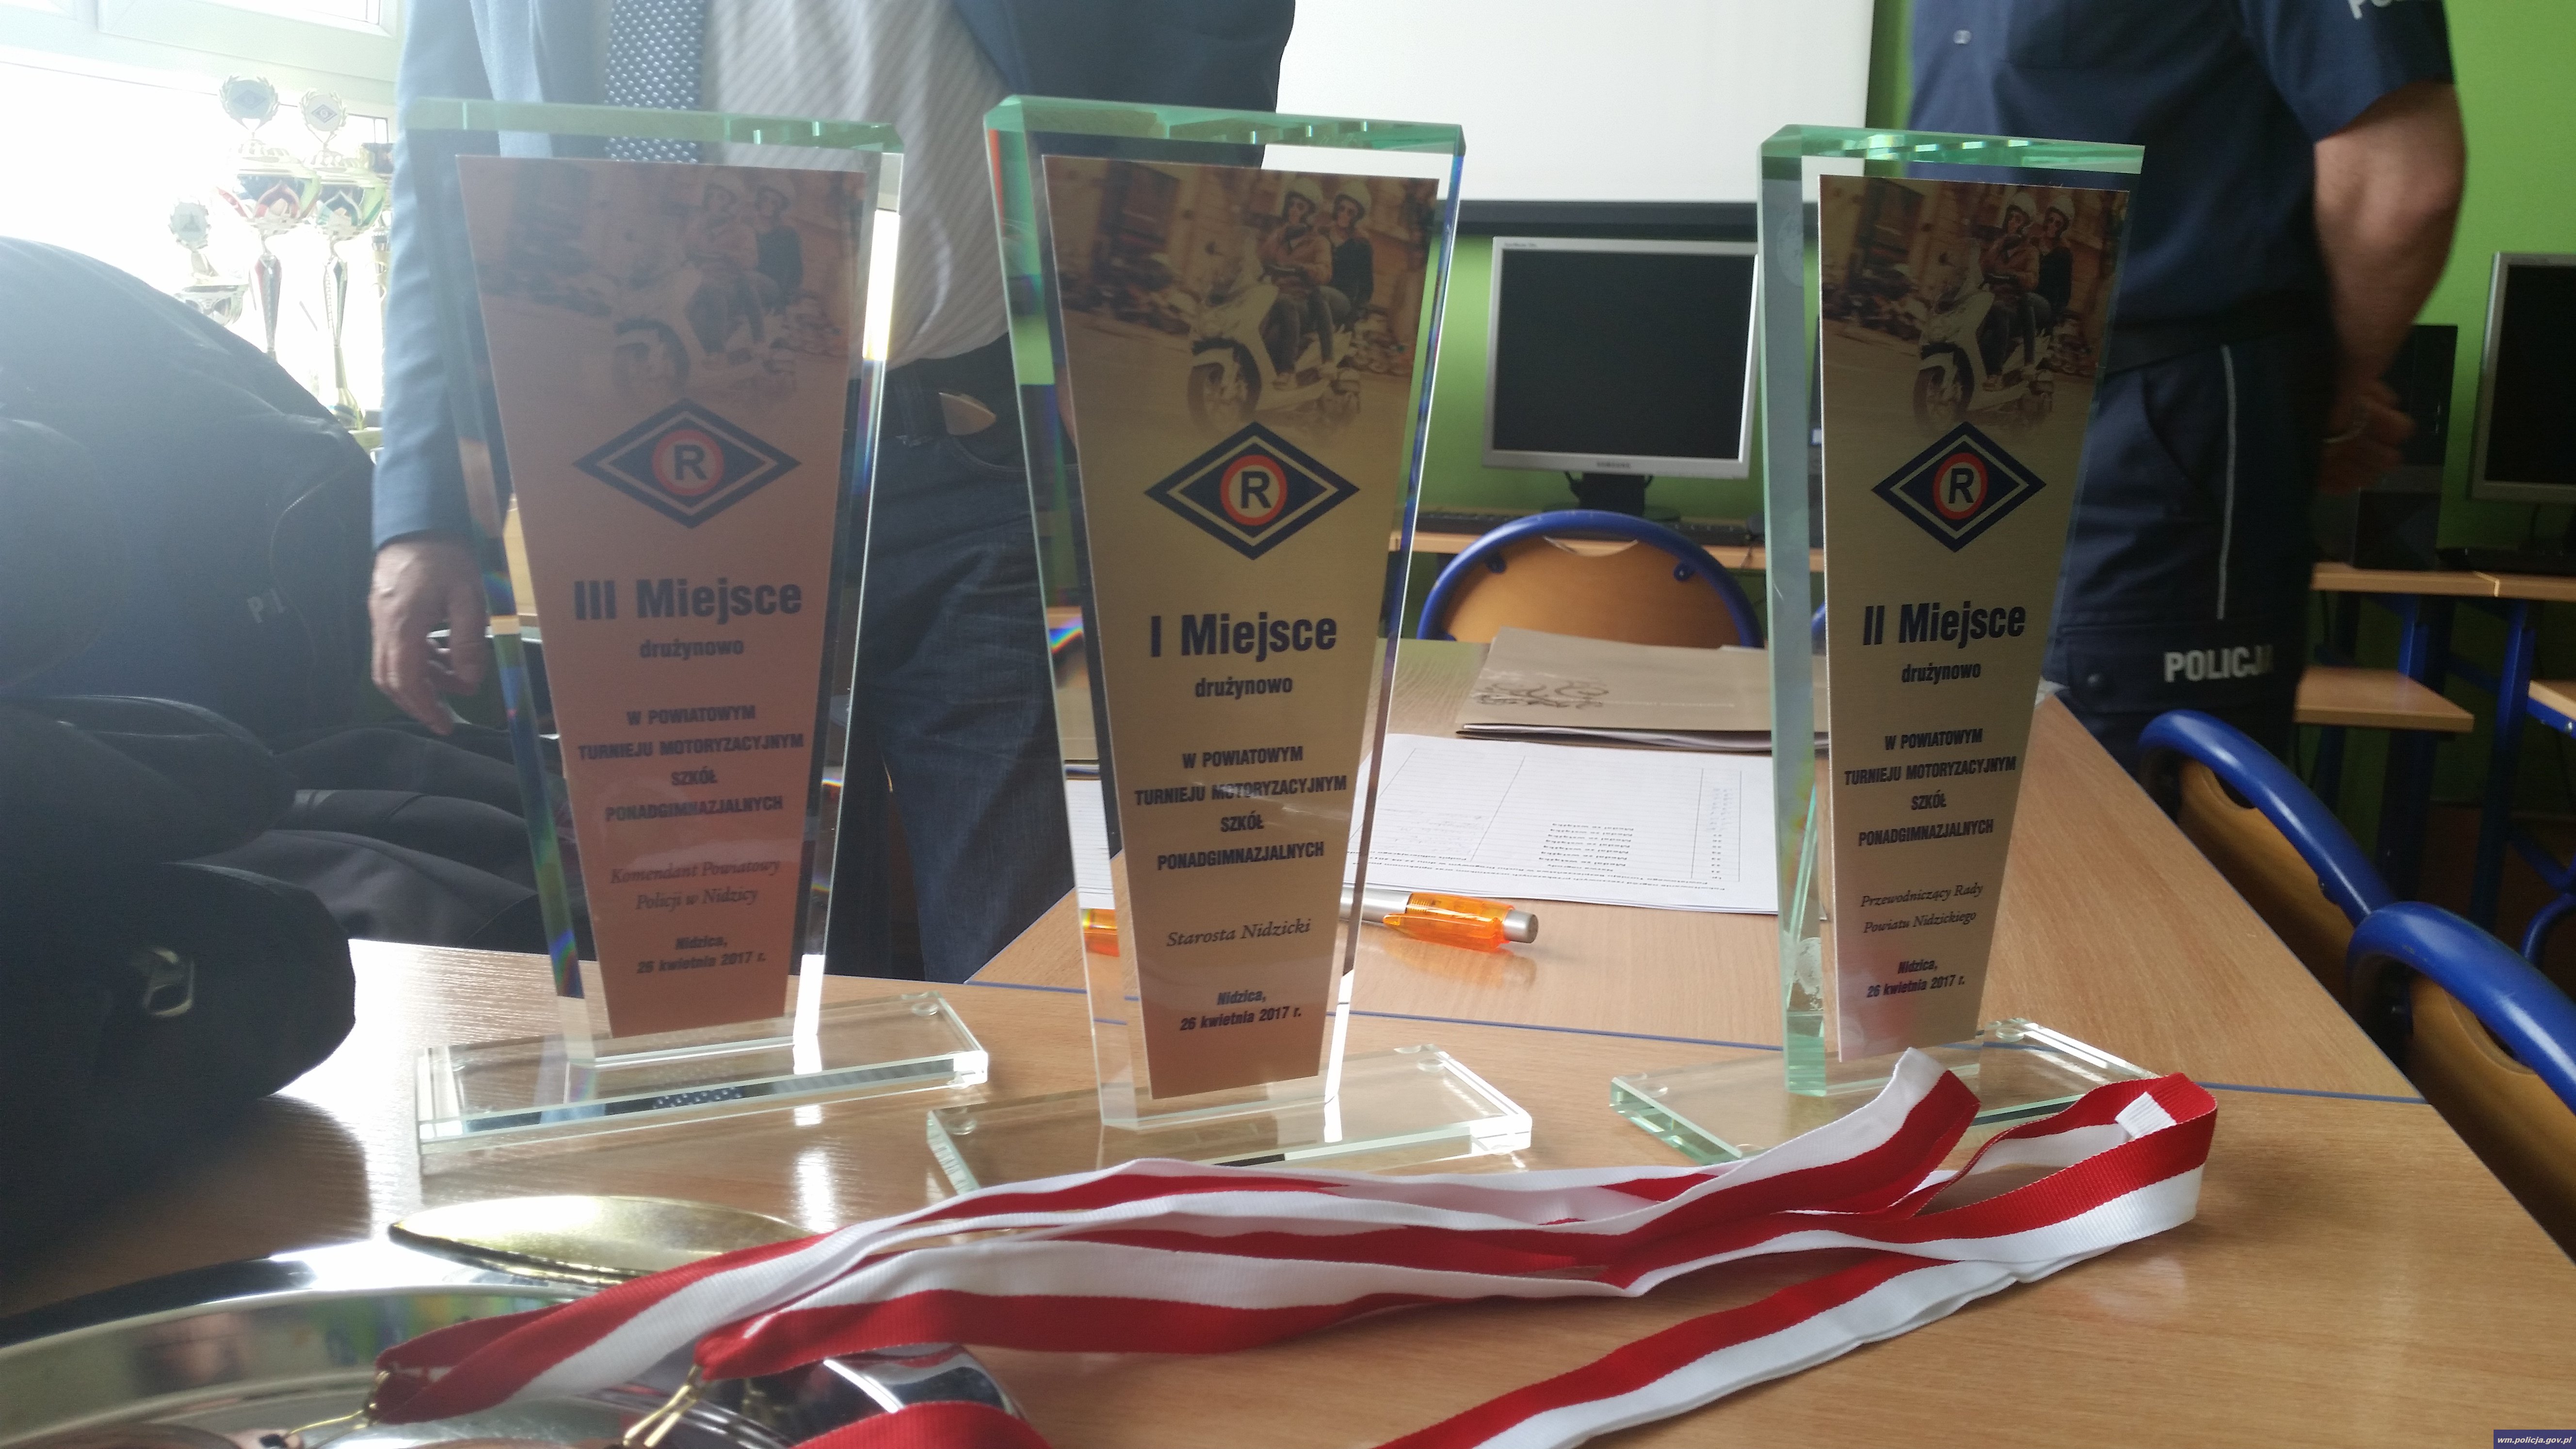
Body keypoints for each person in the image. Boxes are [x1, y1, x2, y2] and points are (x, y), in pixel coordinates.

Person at [370, 0, 1293, 983]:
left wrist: (1132, 326)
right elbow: (440, 192)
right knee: (738, 976)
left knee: (1027, 966)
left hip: (981, 459)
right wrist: (425, 510)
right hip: (659, 483)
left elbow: (1208, 30)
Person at [1911, 0, 2462, 770]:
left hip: (2148, 427)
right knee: (1953, 786)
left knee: (2116, 807)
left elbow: (2401, 182)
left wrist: (2324, 404)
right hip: (1970, 421)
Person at [1256, 177, 1331, 375]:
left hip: (1302, 300)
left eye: (1300, 206)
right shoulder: (1280, 236)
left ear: (1311, 213)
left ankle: (1287, 371)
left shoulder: (1319, 242)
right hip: (1273, 294)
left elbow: (1325, 271)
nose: (1294, 210)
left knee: (1285, 303)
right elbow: (1260, 259)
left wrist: (1305, 269)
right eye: (1291, 205)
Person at [1310, 179, 1374, 363]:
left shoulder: (1362, 246)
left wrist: (1353, 318)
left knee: (1320, 293)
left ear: (1358, 216)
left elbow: (1366, 287)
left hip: (1342, 301)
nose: (1344, 215)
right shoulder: (1321, 234)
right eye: (1342, 209)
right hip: (1313, 295)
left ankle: (1328, 358)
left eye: (1351, 212)